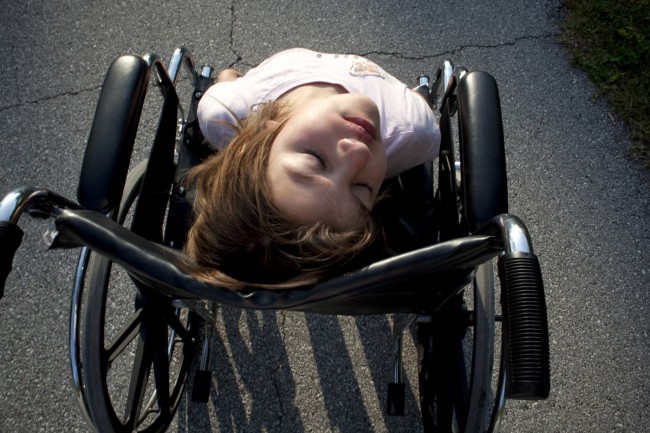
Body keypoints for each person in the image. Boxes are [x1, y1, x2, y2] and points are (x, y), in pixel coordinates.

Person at [184, 48, 440, 290]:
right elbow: (418, 109)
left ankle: (230, 77)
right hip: (372, 79)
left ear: (263, 135)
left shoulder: (222, 112)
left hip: (281, 70)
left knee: (224, 92)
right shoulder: (412, 129)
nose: (359, 154)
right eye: (364, 188)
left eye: (314, 158)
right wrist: (415, 103)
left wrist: (227, 81)